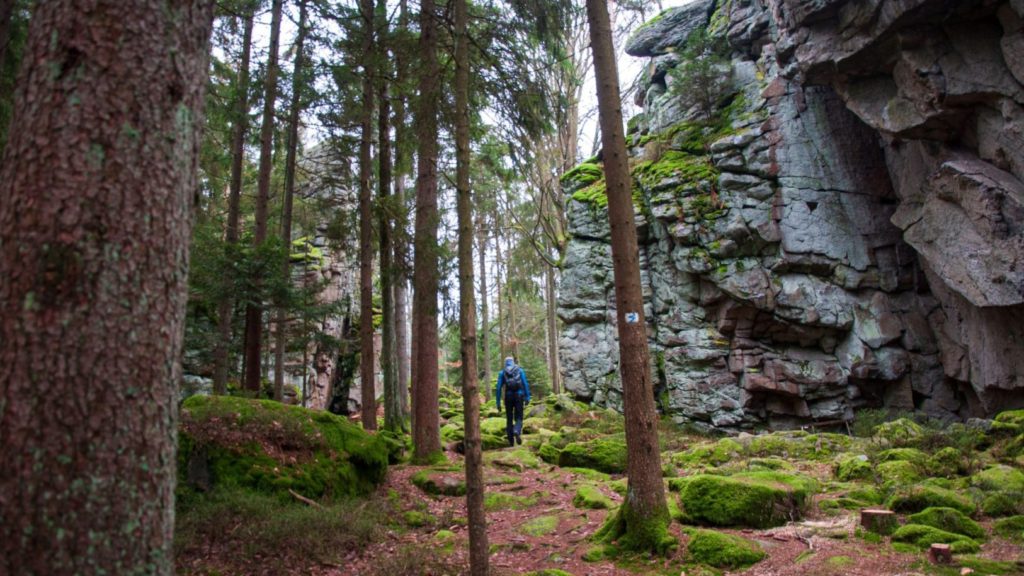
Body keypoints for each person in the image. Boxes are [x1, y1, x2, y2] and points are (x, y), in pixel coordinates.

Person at [496, 356, 530, 446]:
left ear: (505, 363)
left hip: (508, 396)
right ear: (513, 362)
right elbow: (525, 383)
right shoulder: (520, 370)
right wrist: (527, 397)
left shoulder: (502, 373)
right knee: (519, 416)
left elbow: (498, 388)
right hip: (519, 395)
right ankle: (517, 430)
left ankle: (511, 442)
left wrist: (498, 402)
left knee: (509, 418)